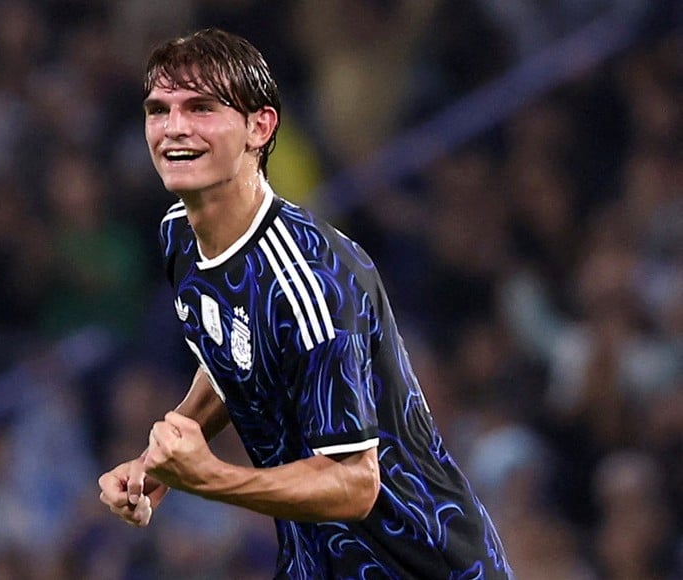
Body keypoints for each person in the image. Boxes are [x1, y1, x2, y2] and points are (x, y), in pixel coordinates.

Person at [98, 28, 513, 579]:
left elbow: (354, 483)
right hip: (316, 563)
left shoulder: (313, 279)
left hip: (416, 565)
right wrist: (159, 466)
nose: (174, 128)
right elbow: (234, 355)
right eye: (159, 110)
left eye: (200, 108)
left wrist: (209, 476)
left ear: (259, 127)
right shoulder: (180, 237)